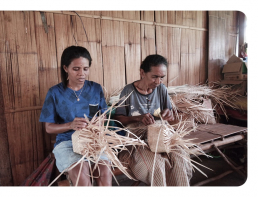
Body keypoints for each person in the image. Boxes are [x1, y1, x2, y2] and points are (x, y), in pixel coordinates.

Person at [114, 54, 192, 186]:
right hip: (137, 139)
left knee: (180, 160)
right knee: (157, 165)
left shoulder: (161, 89)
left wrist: (168, 114)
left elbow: (170, 113)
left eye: (162, 77)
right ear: (142, 72)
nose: (158, 81)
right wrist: (138, 117)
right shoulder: (128, 91)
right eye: (154, 77)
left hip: (162, 135)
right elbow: (118, 119)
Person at [39, 46, 112, 186]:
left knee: (104, 171)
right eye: (76, 69)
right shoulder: (55, 93)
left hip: (93, 141)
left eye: (85, 69)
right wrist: (70, 125)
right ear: (66, 68)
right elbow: (48, 128)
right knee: (81, 174)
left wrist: (99, 122)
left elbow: (104, 116)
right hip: (67, 143)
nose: (82, 74)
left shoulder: (96, 88)